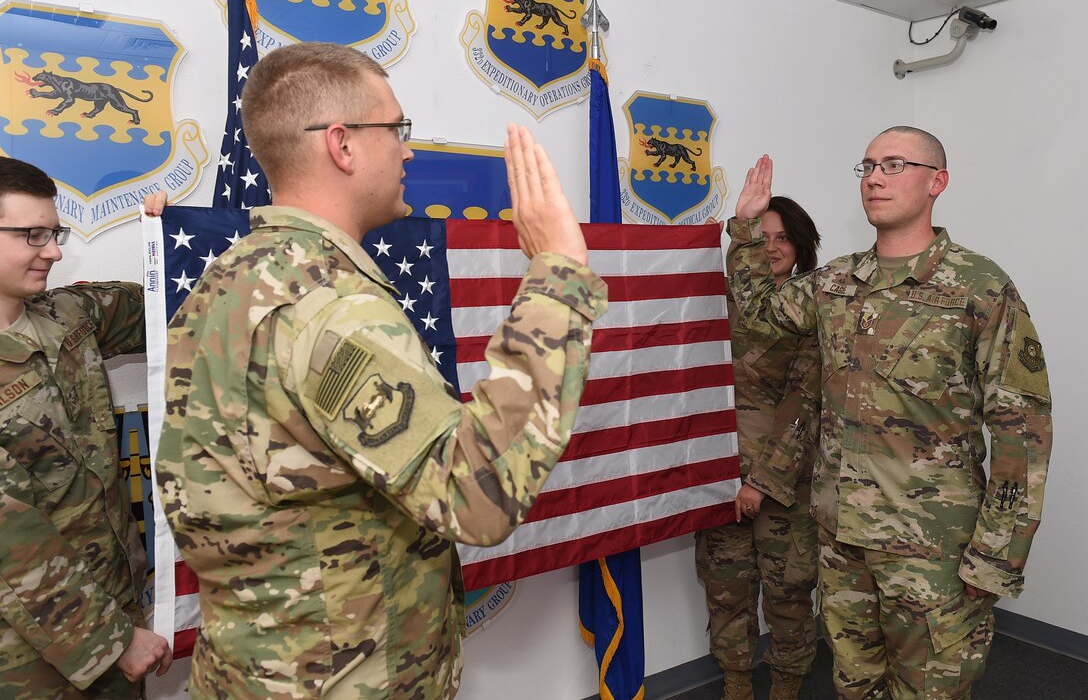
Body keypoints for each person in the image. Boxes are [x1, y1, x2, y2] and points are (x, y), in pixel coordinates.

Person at [154, 42, 607, 699]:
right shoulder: (329, 308)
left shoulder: (226, 280)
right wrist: (559, 275)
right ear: (342, 145)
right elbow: (475, 495)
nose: (408, 149)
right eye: (396, 129)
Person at [728, 127, 1052, 699]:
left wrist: (996, 556)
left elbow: (1021, 430)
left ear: (937, 183)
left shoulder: (978, 288)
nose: (875, 177)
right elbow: (757, 313)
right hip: (841, 537)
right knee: (856, 686)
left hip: (932, 549)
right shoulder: (834, 284)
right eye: (869, 165)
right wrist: (748, 227)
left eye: (895, 165)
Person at [0, 156, 172, 698]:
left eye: (54, 232)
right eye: (32, 235)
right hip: (34, 661)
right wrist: (114, 641)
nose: (53, 250)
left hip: (121, 612)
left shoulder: (67, 315)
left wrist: (174, 239)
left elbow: (180, 306)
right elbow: (11, 543)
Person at [696, 194, 822, 700]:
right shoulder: (716, 303)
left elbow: (803, 405)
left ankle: (787, 689)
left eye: (782, 238)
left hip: (782, 486)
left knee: (788, 597)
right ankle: (737, 687)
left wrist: (761, 483)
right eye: (762, 237)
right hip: (719, 477)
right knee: (726, 594)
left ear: (801, 247)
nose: (772, 248)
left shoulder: (809, 311)